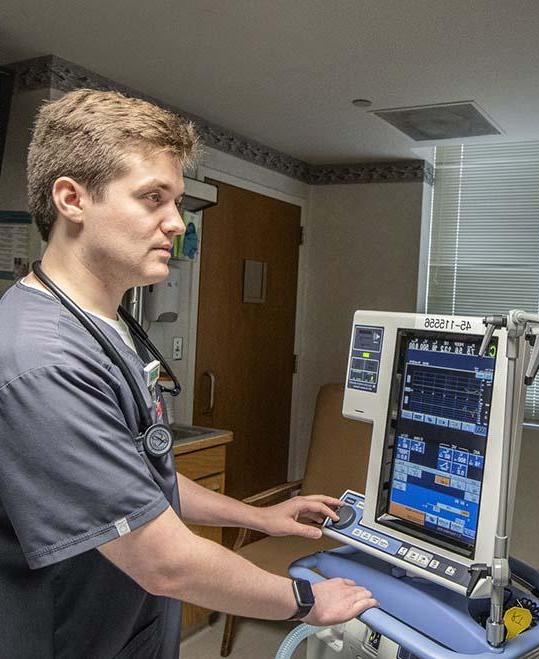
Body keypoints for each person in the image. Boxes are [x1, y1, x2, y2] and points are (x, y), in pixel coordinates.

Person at [0, 89, 377, 658]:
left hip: (129, 630)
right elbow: (165, 562)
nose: (176, 223)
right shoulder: (44, 361)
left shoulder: (105, 323)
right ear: (73, 199)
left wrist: (258, 516)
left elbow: (142, 485)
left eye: (176, 201)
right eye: (153, 198)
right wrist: (307, 600)